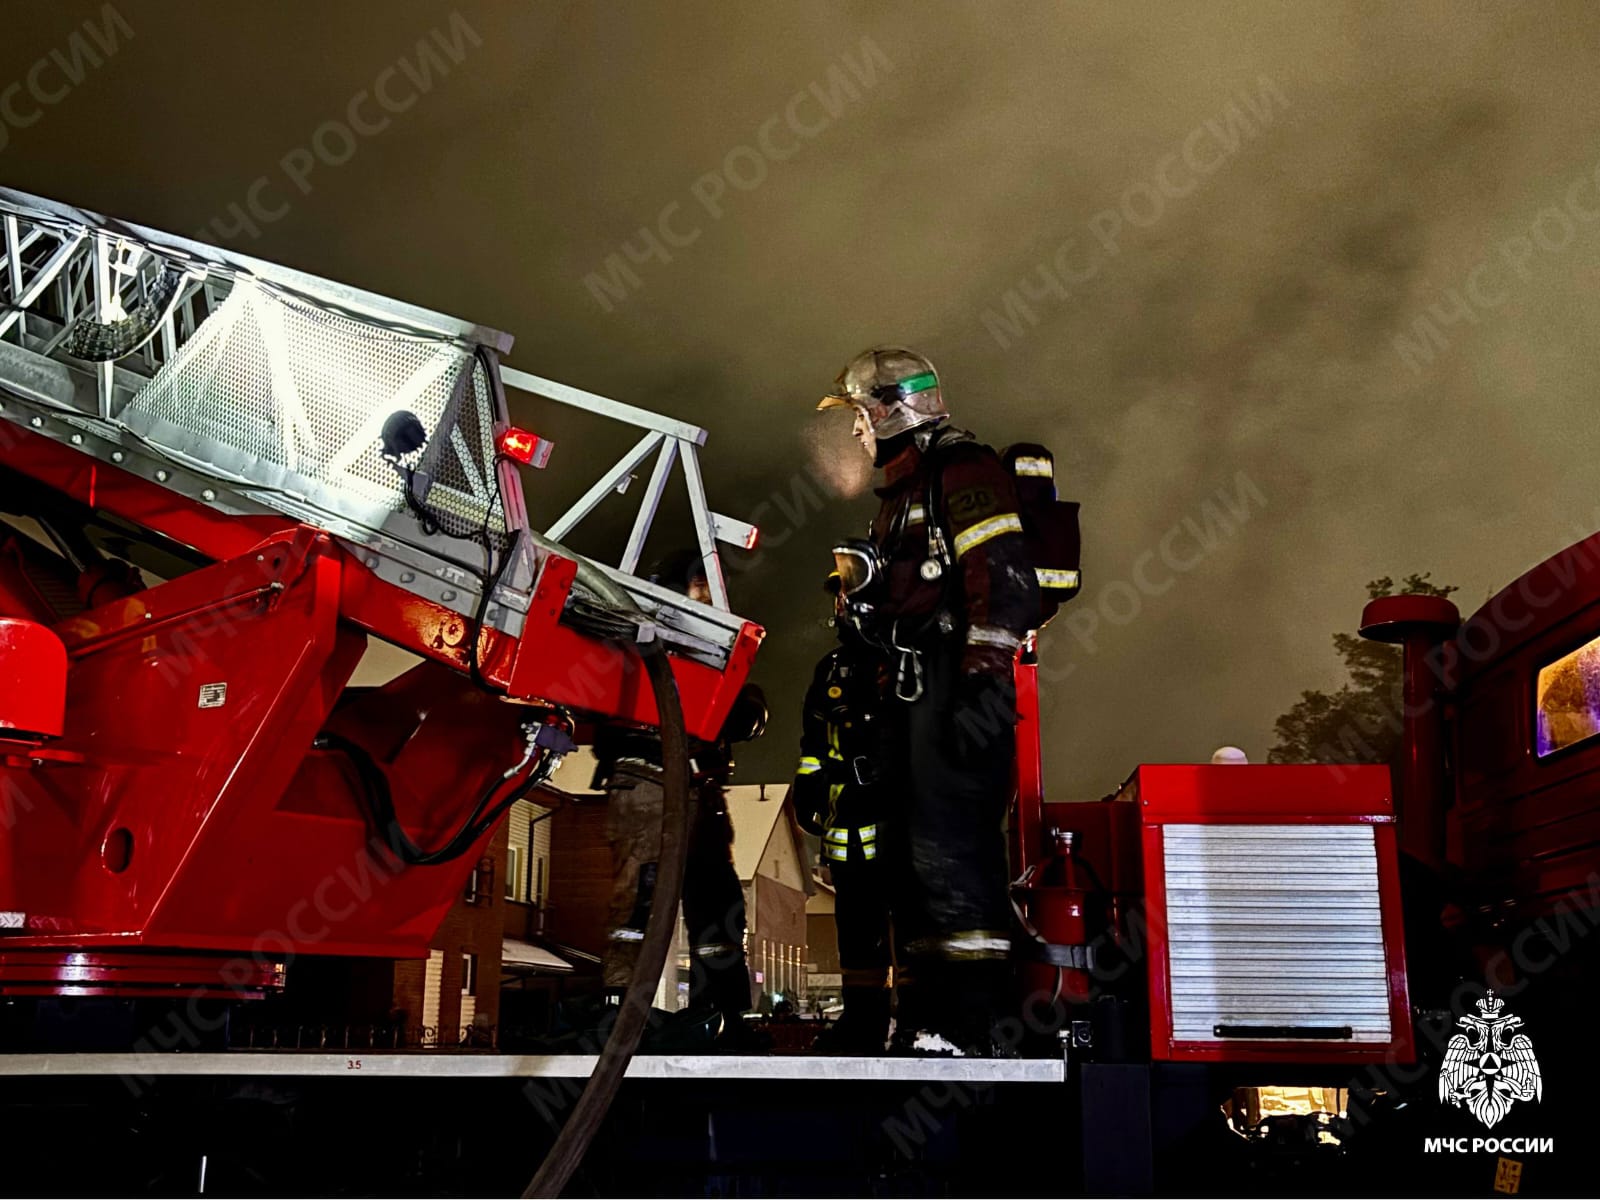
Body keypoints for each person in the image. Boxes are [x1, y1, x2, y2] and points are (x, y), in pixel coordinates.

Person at [817, 346, 1040, 1055]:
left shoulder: (961, 470)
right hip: (913, 690)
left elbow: (1000, 575)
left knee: (952, 851)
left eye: (858, 416)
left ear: (889, 406)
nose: (855, 432)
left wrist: (980, 675)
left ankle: (969, 1023)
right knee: (912, 861)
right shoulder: (900, 494)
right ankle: (924, 1021)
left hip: (955, 686)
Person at [594, 549, 768, 1048]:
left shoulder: (707, 645)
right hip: (648, 782)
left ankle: (724, 1014)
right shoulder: (638, 636)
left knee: (718, 907)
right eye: (702, 584)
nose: (712, 595)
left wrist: (747, 703)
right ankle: (622, 1014)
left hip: (699, 791)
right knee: (640, 903)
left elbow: (738, 711)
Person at [793, 574, 895, 1054]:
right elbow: (813, 742)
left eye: (848, 594)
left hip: (896, 816)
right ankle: (863, 1022)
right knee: (855, 924)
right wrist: (808, 785)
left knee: (908, 919)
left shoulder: (900, 659)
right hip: (845, 820)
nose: (840, 604)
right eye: (837, 594)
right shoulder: (828, 670)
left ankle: (918, 1021)